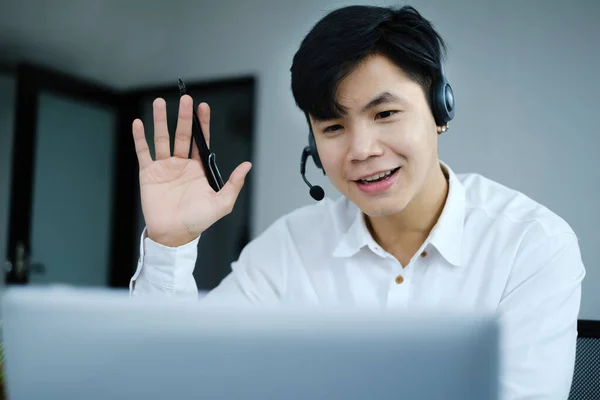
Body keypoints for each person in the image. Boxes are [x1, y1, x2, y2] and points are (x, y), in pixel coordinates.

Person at [129, 5, 585, 399]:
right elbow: (179, 376)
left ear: (440, 110)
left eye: (385, 114)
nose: (361, 149)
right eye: (333, 127)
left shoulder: (532, 245)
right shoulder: (287, 249)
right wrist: (171, 243)